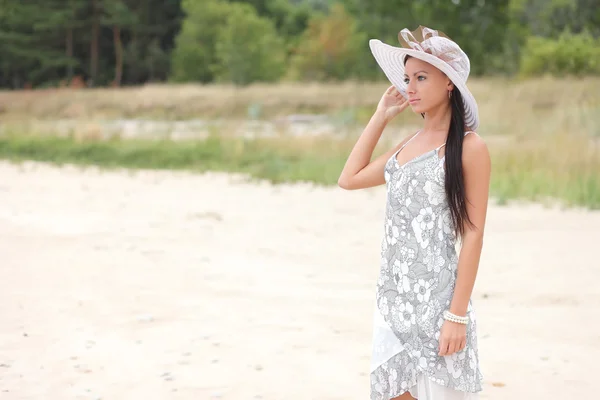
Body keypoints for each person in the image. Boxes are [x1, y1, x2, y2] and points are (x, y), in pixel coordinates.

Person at [338, 26, 491, 400]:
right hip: (393, 305)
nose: (411, 87)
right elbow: (349, 178)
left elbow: (473, 234)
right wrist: (381, 116)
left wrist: (456, 316)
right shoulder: (407, 145)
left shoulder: (469, 148)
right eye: (408, 79)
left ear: (449, 83)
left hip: (439, 305)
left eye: (422, 77)